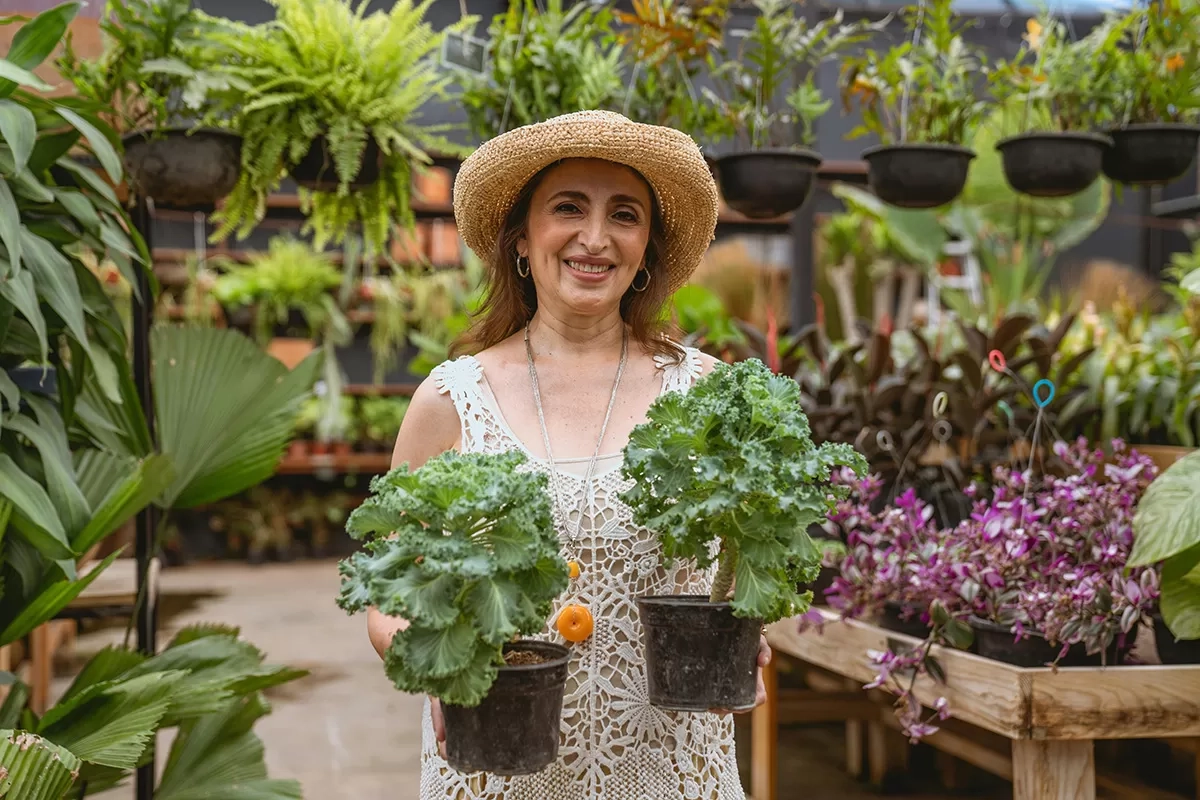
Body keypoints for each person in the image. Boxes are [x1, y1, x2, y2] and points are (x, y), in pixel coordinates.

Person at [366, 109, 770, 800]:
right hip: (498, 767)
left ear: (647, 247)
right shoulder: (451, 399)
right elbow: (388, 589)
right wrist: (429, 659)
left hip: (666, 769)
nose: (595, 237)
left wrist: (749, 634)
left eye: (624, 214)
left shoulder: (704, 392)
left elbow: (753, 555)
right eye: (568, 208)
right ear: (521, 239)